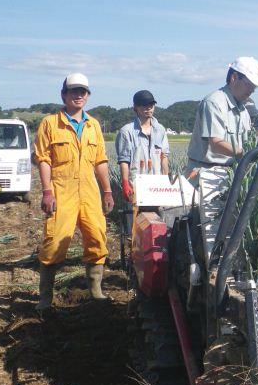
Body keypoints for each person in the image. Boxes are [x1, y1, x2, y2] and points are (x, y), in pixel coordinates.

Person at [32, 73, 115, 313]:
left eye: (83, 91)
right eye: (74, 91)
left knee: (97, 238)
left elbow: (100, 160)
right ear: (64, 95)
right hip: (61, 189)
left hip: (89, 191)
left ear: (88, 96)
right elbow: (44, 159)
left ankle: (96, 292)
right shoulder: (50, 123)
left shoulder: (94, 125)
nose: (79, 95)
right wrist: (47, 191)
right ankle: (45, 300)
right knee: (55, 243)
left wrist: (107, 190)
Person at [186, 56, 258, 252]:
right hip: (207, 174)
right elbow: (216, 144)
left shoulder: (243, 110)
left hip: (232, 174)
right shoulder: (214, 102)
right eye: (249, 84)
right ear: (233, 78)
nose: (252, 89)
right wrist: (247, 153)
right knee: (213, 238)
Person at [115, 89, 171, 204]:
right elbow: (124, 161)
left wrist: (166, 180)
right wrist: (125, 184)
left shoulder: (160, 130)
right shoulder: (126, 131)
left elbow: (164, 156)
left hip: (157, 187)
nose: (148, 108)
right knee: (137, 220)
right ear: (135, 107)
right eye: (144, 105)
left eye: (151, 104)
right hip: (136, 187)